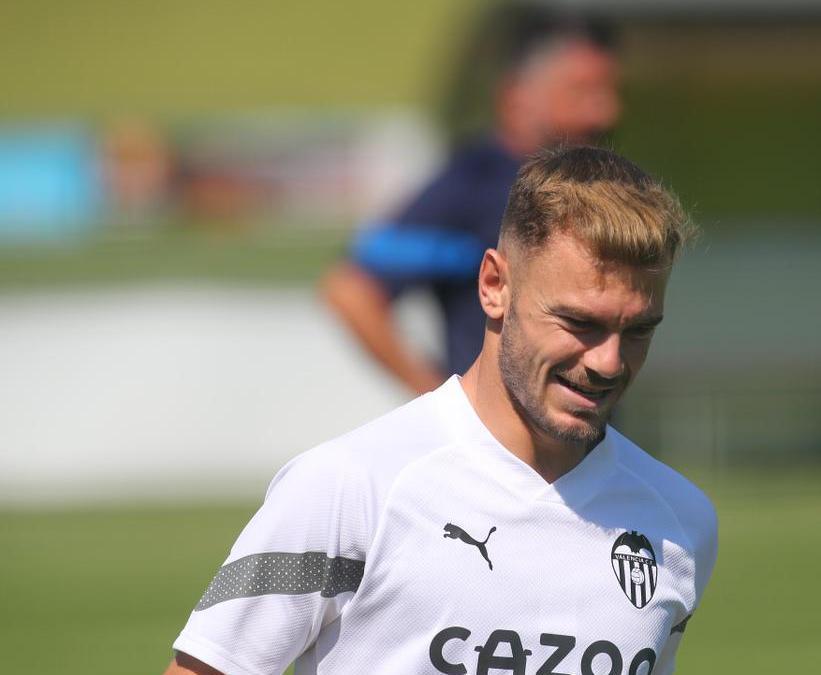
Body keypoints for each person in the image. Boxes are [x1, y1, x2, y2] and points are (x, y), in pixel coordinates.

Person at [164, 146, 717, 675]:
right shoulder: (346, 489)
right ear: (495, 285)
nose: (609, 362)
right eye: (579, 324)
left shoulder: (678, 524)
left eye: (639, 330)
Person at [321, 15, 620, 395]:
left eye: (609, 93)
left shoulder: (594, 183)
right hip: (500, 445)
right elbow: (351, 290)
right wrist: (437, 395)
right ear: (516, 96)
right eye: (582, 93)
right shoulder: (473, 184)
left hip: (584, 441)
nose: (605, 113)